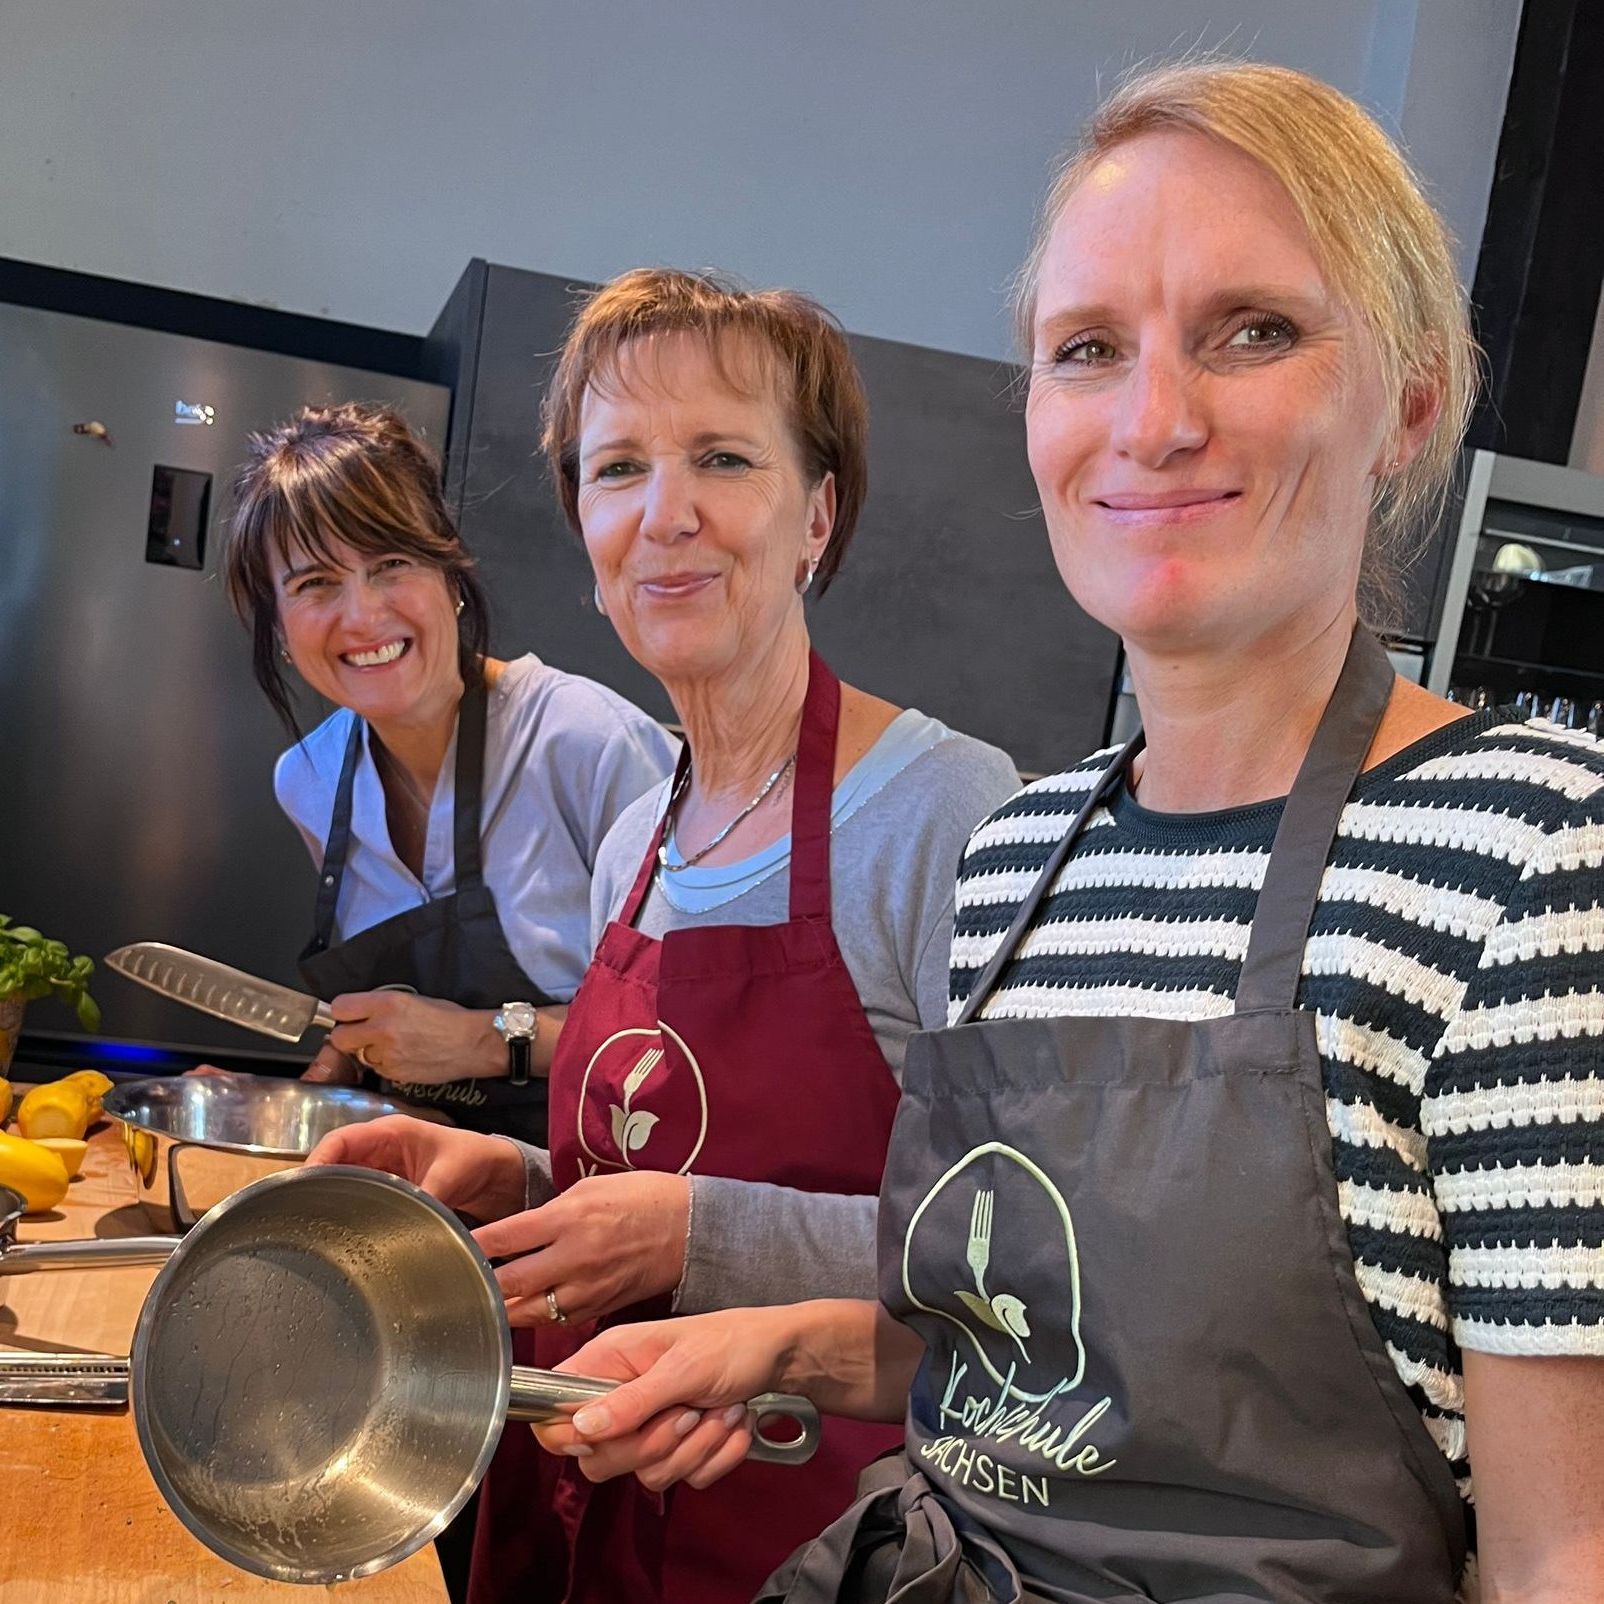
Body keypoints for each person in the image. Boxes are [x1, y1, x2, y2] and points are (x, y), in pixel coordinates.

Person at [524, 63, 1604, 1603]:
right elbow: (1008, 1351)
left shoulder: (1533, 860)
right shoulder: (1025, 856)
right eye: (1089, 349)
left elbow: (1568, 1553)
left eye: (1255, 331)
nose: (1155, 421)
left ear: (1410, 399)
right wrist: (768, 1341)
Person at [309, 272, 1020, 1603]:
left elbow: (1017, 1261)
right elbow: (657, 1147)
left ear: (818, 516)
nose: (664, 513)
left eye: (724, 459)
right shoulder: (643, 821)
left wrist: (697, 1234)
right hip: (574, 1499)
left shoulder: (947, 811)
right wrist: (524, 1182)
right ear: (585, 534)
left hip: (806, 1544)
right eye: (618, 467)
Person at [220, 403, 677, 1143]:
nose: (363, 615)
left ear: (448, 573)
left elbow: (701, 1033)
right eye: (313, 583)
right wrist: (278, 1107)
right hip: (411, 1187)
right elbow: (385, 1016)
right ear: (276, 624)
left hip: (593, 1197)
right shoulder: (308, 780)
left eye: (390, 564)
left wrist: (484, 1040)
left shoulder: (586, 744)